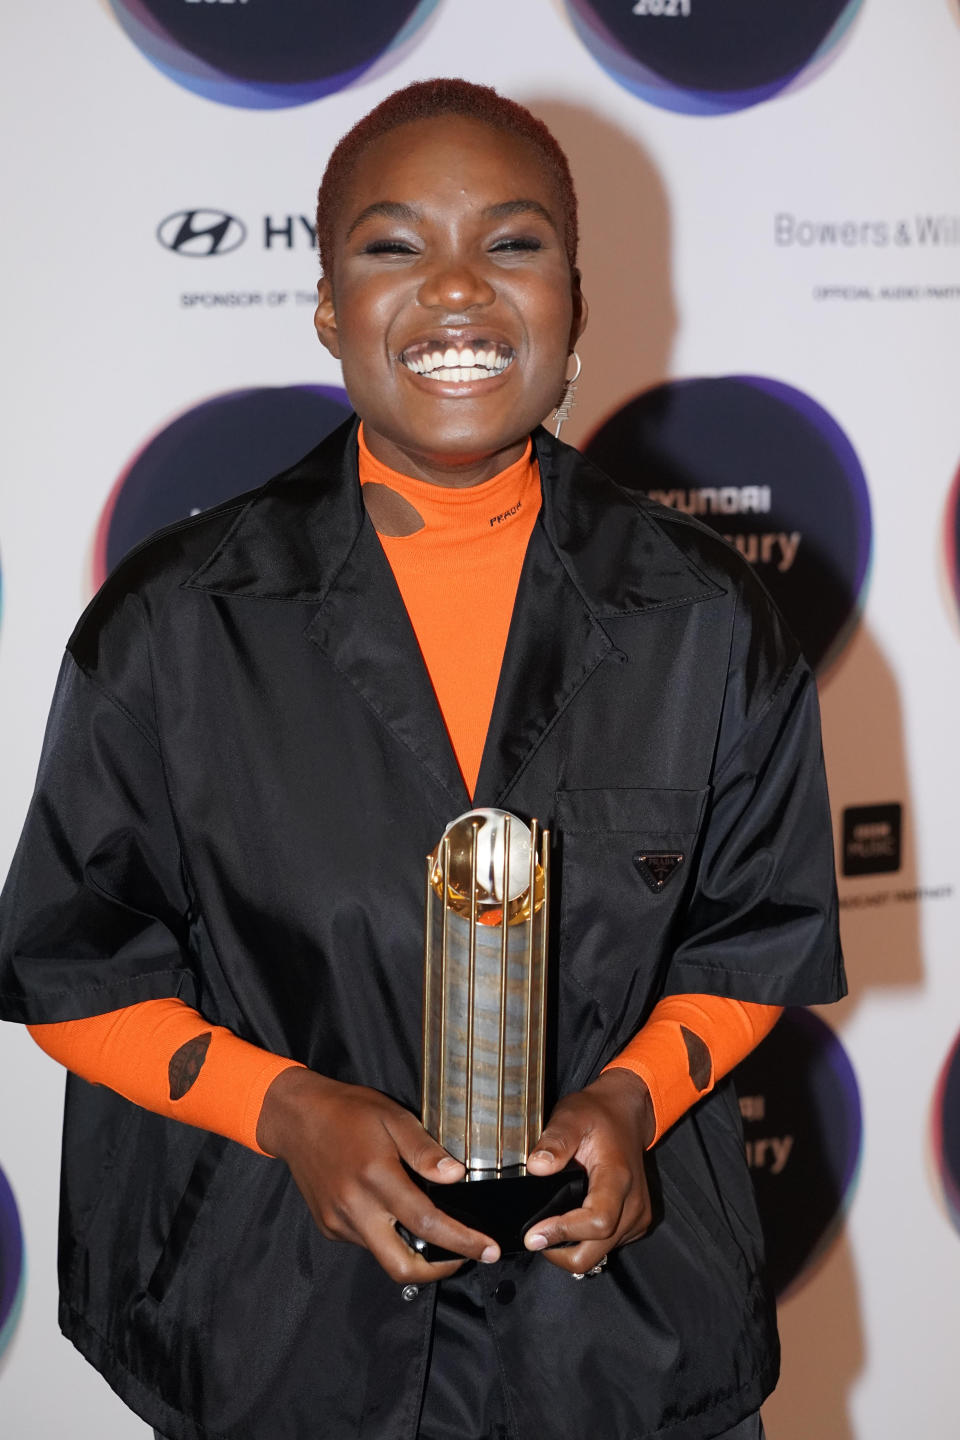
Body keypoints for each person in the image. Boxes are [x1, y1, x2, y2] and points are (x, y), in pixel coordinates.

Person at [0, 80, 844, 1440]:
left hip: (618, 1353)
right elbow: (70, 968)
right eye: (394, 246)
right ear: (331, 303)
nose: (458, 291)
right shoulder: (171, 625)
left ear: (575, 295)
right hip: (284, 1339)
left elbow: (754, 939)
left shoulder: (704, 615)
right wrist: (286, 1114)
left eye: (512, 244)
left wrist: (633, 1097)